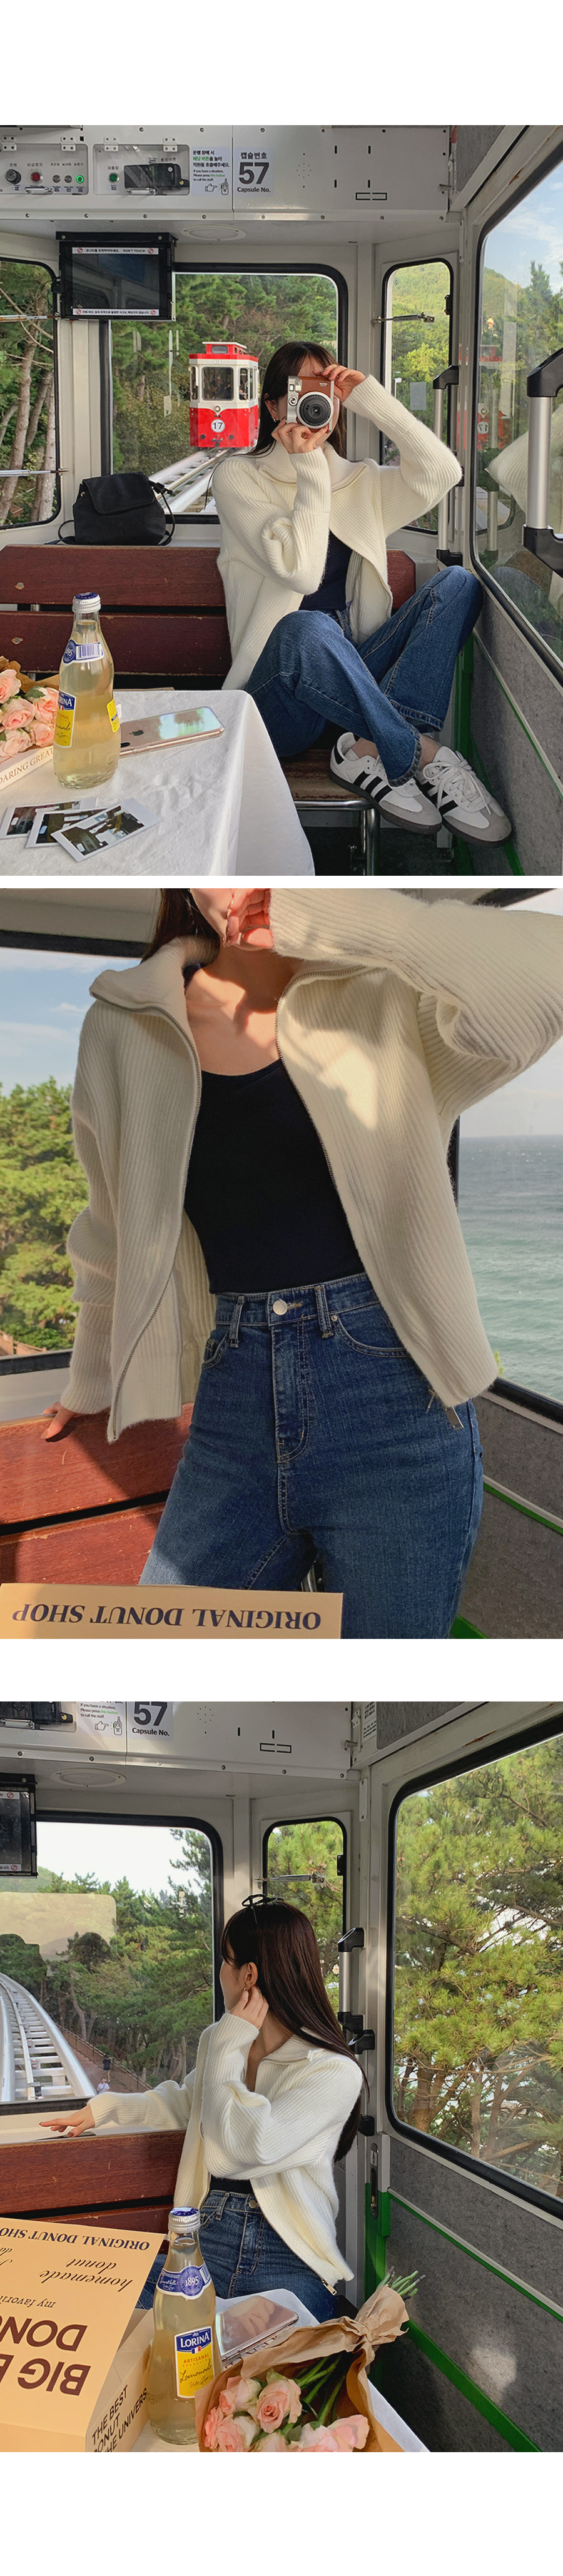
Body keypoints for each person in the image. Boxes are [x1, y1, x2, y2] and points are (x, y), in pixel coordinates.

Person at [40, 884, 563, 1636]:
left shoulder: (383, 994)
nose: (234, 887)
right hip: (233, 1402)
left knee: (385, 1682)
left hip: (399, 1395)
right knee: (145, 1663)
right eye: (214, 870)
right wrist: (92, 1377)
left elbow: (542, 983)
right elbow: (110, 1226)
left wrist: (335, 918)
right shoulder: (122, 1023)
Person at [213, 340, 511, 844]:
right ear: (274, 406)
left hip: (354, 677)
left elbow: (444, 473)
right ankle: (420, 753)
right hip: (279, 699)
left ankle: (367, 749)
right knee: (307, 626)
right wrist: (309, 467)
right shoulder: (239, 477)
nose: (316, 401)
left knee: (459, 583)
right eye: (301, 389)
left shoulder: (361, 482)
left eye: (324, 389)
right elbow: (302, 574)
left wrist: (371, 398)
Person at [41, 1900, 365, 2322]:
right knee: (91, 2308)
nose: (220, 1974)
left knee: (261, 2354)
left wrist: (230, 2044)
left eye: (225, 1962)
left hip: (287, 2257)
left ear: (248, 1975)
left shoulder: (331, 2070)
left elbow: (244, 2149)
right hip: (204, 2242)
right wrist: (105, 2109)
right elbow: (187, 2104)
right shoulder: (222, 2043)